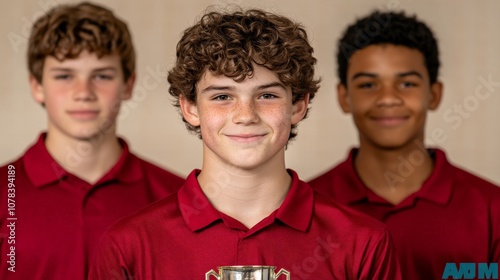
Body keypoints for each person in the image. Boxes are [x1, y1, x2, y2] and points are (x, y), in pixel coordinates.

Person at [88, 7, 402, 280]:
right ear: (191, 108)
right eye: (223, 97)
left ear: (298, 105)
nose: (245, 115)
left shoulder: (362, 242)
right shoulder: (128, 245)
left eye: (267, 95)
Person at [308, 10, 500, 280]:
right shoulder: (305, 206)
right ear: (344, 97)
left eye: (407, 83)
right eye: (368, 84)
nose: (388, 98)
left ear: (434, 94)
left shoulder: (493, 209)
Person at [0, 2, 184, 280]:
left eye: (101, 76)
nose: (83, 92)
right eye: (64, 75)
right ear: (37, 87)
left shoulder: (178, 199)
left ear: (128, 85)